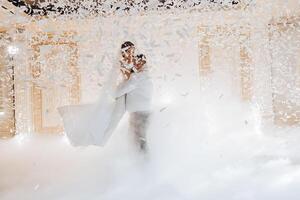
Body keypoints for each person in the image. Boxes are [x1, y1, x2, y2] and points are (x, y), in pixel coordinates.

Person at [58, 41, 153, 153]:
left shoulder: (138, 71)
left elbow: (131, 81)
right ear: (124, 51)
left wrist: (127, 83)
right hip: (126, 96)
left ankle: (140, 157)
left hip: (129, 97)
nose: (131, 53)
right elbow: (127, 81)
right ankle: (137, 157)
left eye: (132, 50)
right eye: (129, 51)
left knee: (134, 133)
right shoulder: (127, 65)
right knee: (120, 125)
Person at [116, 41, 153, 152]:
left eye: (139, 62)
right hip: (140, 111)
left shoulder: (137, 78)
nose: (136, 64)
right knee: (137, 138)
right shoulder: (142, 76)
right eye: (136, 62)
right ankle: (139, 160)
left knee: (139, 139)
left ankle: (143, 162)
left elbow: (118, 92)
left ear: (143, 63)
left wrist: (115, 91)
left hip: (139, 112)